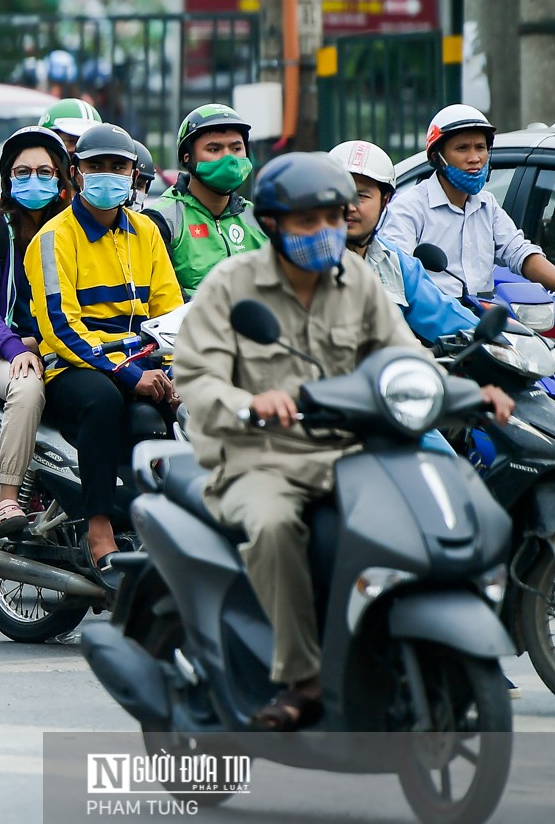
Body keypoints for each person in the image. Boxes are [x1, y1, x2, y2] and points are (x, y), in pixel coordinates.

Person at [176, 153, 513, 729]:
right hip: (257, 456)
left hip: (350, 452)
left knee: (415, 517)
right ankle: (301, 678)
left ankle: (386, 648)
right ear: (273, 224)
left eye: (334, 217)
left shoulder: (357, 280)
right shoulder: (232, 286)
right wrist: (249, 402)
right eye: (308, 222)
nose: (326, 231)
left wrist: (466, 395)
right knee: (277, 525)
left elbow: (402, 354)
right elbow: (196, 376)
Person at [25, 123, 183, 581]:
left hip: (141, 360)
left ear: (135, 175)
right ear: (76, 173)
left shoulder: (147, 234)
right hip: (73, 367)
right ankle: (98, 527)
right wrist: (127, 373)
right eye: (97, 167)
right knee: (105, 400)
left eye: (119, 167)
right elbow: (59, 328)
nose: (109, 176)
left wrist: (174, 371)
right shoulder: (55, 238)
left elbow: (171, 311)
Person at [0, 126, 73, 537]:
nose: (34, 179)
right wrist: (14, 346)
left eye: (45, 171)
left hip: (64, 345)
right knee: (27, 387)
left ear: (62, 177)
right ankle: (7, 498)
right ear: (8, 178)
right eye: (22, 172)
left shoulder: (74, 227)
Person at [379, 104, 555, 316]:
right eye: (462, 148)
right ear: (437, 157)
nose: (475, 158)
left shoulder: (486, 204)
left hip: (482, 321)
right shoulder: (408, 208)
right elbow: (397, 273)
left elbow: (519, 252)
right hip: (431, 323)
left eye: (480, 148)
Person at [331, 140, 478, 343]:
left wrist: (495, 335)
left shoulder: (393, 261)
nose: (349, 207)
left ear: (385, 201)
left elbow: (441, 313)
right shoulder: (308, 259)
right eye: (339, 195)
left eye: (361, 196)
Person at [147, 104, 266, 296]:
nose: (229, 159)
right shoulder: (161, 219)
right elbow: (161, 297)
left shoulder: (259, 218)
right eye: (214, 149)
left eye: (236, 148)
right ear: (187, 157)